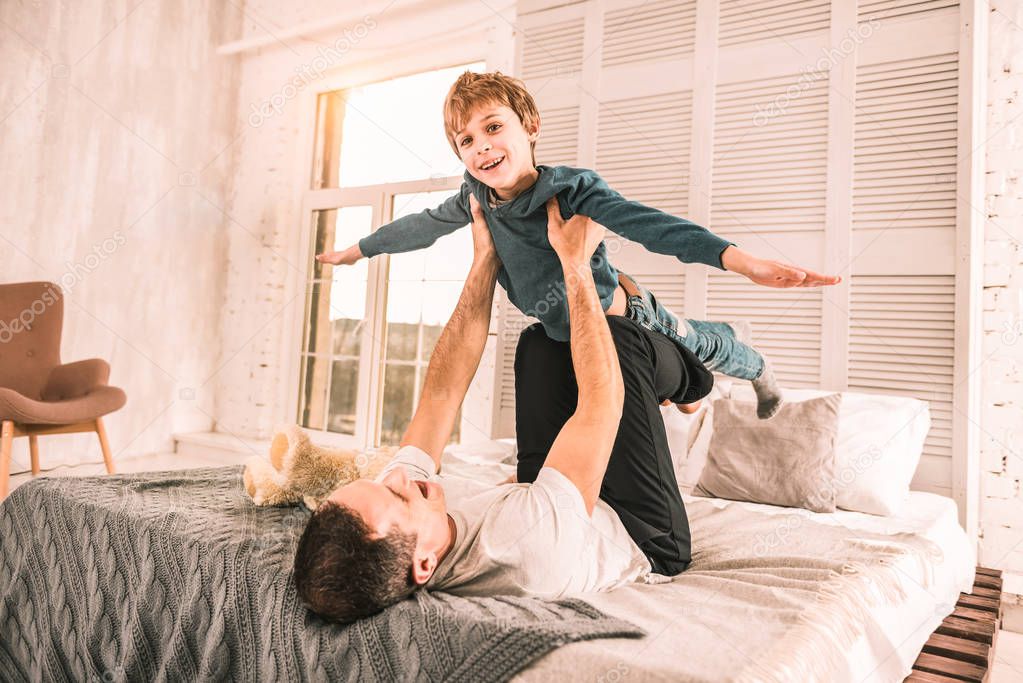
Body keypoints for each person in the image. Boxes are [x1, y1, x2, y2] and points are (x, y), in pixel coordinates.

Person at [316, 70, 841, 419]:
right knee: (636, 393)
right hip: (565, 334)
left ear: (531, 127)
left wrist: (741, 261)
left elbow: (649, 225)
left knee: (699, 346)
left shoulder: (570, 190)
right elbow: (419, 227)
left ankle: (758, 367)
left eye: (493, 127)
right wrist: (355, 251)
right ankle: (684, 389)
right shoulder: (475, 197)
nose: (481, 147)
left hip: (629, 317)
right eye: (466, 140)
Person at [293, 196, 713, 624]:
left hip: (544, 500)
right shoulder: (527, 549)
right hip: (641, 532)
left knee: (539, 343)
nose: (399, 477)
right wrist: (576, 264)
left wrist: (485, 260)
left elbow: (440, 395)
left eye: (382, 484)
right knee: (618, 339)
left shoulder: (401, 527)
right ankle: (693, 382)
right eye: (397, 495)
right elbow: (599, 407)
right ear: (423, 565)